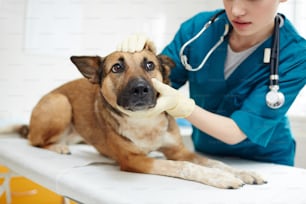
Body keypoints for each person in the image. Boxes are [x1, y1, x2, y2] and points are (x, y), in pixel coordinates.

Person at [117, 0, 306, 166]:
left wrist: (184, 108)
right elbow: (158, 86)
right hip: (206, 155)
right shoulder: (197, 30)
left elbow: (236, 132)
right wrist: (144, 59)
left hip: (266, 164)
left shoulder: (295, 55)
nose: (236, 10)